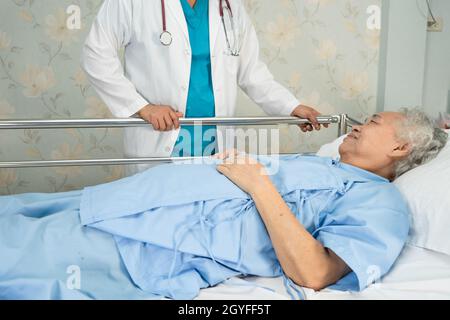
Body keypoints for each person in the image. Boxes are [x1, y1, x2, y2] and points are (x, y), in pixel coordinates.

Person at [0, 109, 447, 300]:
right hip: (125, 202)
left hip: (146, 241)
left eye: (372, 123)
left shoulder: (380, 203)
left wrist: (257, 183)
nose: (358, 126)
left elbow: (314, 273)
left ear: (400, 146)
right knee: (16, 214)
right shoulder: (323, 166)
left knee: (21, 253)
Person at [81, 0, 325, 175]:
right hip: (159, 139)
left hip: (215, 142)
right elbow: (96, 54)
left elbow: (252, 73)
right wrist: (141, 107)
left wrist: (291, 106)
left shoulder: (231, 7)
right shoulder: (132, 3)